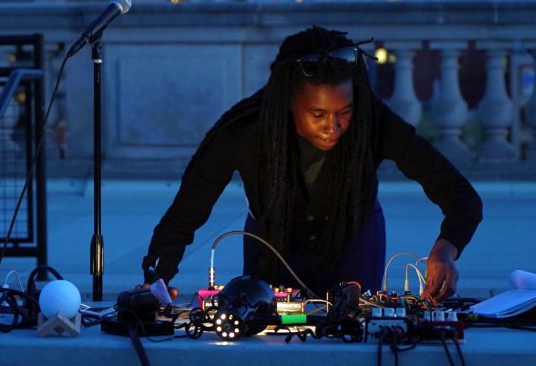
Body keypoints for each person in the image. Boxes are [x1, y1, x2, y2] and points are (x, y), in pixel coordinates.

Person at [142, 27, 482, 300]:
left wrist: (445, 250)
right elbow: (184, 214)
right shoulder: (243, 130)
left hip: (354, 238)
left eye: (344, 112)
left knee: (349, 333)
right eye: (318, 114)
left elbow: (460, 194)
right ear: (290, 101)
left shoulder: (373, 120)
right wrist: (156, 279)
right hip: (271, 241)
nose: (333, 126)